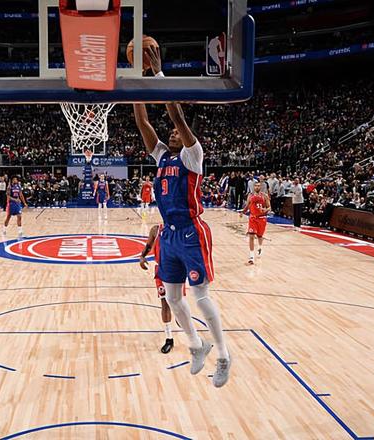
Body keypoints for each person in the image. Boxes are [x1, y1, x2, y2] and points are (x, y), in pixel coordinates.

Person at [132, 45, 231, 388]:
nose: (172, 133)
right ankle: (196, 345)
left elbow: (176, 116)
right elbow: (143, 122)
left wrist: (158, 75)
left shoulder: (193, 154)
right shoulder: (162, 156)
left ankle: (223, 355)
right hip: (169, 235)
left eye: (176, 132)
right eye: (171, 133)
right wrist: (136, 83)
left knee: (201, 297)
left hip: (191, 231)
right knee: (173, 298)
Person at [139, 224, 175, 354]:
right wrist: (142, 257)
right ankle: (169, 338)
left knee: (177, 304)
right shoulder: (156, 229)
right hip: (161, 269)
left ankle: (182, 318)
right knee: (165, 303)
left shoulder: (179, 228)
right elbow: (148, 246)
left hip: (176, 269)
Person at [241, 181, 271, 265]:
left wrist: (265, 210)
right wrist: (243, 212)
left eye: (258, 186)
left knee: (259, 236)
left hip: (261, 218)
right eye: (256, 186)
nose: (257, 187)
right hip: (253, 218)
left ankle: (260, 247)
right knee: (251, 236)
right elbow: (247, 205)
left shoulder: (264, 196)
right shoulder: (250, 195)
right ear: (253, 187)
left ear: (260, 187)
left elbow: (269, 207)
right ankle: (251, 257)